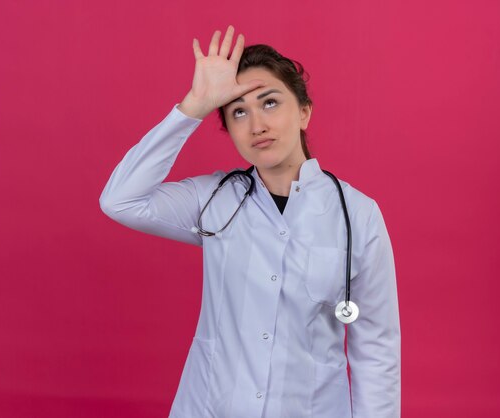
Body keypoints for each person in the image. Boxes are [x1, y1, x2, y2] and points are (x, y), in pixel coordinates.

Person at [100, 25, 400, 418]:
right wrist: (194, 106)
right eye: (238, 111)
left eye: (270, 103)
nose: (256, 124)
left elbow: (376, 350)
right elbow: (120, 200)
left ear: (304, 111)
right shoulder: (214, 199)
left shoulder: (358, 215)